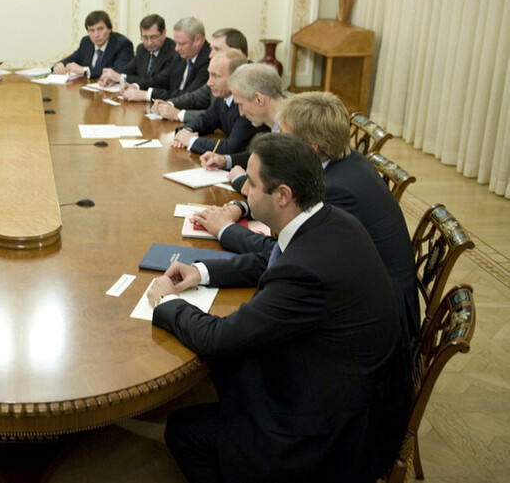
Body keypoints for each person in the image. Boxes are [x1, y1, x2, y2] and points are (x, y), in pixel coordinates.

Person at [147, 133, 410, 483]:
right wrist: (201, 271)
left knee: (183, 429)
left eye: (252, 185)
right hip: (346, 379)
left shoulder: (306, 272)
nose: (244, 190)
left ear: (283, 195)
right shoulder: (329, 220)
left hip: (335, 433)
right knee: (226, 369)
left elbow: (218, 338)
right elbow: (267, 260)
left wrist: (166, 301)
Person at [192, 91, 421, 353]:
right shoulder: (345, 164)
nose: (275, 138)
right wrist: (242, 206)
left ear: (309, 148)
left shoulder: (335, 191)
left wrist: (225, 230)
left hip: (370, 329)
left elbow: (290, 255)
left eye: (283, 133)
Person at [198, 62, 284, 186]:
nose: (241, 113)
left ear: (258, 99)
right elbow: (262, 157)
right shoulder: (277, 123)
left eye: (241, 104)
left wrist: (241, 179)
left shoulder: (291, 131)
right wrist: (225, 160)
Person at [170, 48, 269, 154]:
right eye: (209, 74)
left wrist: (191, 141)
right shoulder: (223, 96)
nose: (209, 83)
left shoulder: (247, 105)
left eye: (215, 76)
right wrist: (186, 131)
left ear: (235, 77)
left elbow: (231, 148)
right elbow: (205, 120)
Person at [152, 27, 248, 123]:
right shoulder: (217, 76)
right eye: (211, 49)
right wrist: (169, 104)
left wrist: (178, 114)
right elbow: (195, 97)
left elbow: (217, 116)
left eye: (217, 50)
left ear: (237, 52)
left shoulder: (249, 82)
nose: (210, 55)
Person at [120, 16, 211, 103]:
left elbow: (189, 96)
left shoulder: (209, 60)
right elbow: (162, 80)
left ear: (198, 40)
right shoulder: (182, 55)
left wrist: (148, 95)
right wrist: (136, 86)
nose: (176, 48)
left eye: (182, 44)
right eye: (176, 43)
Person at [98, 14, 177, 87]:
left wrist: (120, 78)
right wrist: (111, 77)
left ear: (164, 33)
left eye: (153, 37)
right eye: (145, 37)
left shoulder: (174, 51)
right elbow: (128, 69)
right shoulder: (142, 49)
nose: (149, 43)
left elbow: (157, 82)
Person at [52, 10, 133, 79]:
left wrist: (85, 70)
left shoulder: (122, 44)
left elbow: (117, 71)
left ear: (109, 29)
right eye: (91, 30)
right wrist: (60, 65)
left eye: (100, 29)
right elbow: (73, 58)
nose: (96, 35)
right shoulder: (86, 42)